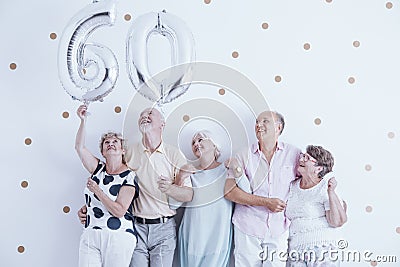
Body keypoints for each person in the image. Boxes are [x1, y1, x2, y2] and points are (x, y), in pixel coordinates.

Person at [78, 107, 192, 267]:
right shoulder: (129, 152)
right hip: (136, 226)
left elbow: (188, 195)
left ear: (162, 124)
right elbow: (112, 179)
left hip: (164, 229)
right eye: (142, 115)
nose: (145, 116)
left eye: (150, 113)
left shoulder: (174, 155)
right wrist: (90, 206)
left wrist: (170, 188)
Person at [224, 110, 301, 267]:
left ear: (278, 128)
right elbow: (229, 191)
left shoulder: (294, 154)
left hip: (279, 228)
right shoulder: (243, 155)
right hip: (247, 227)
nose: (259, 125)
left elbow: (308, 182)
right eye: (257, 122)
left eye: (265, 121)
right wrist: (266, 202)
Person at [75, 105, 139, 267]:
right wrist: (83, 121)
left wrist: (98, 191)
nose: (110, 144)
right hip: (91, 234)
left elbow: (119, 210)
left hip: (118, 236)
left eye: (115, 142)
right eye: (106, 143)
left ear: (122, 150)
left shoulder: (129, 176)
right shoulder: (98, 169)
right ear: (102, 152)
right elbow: (79, 147)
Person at [175, 130, 233, 267]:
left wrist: (237, 170)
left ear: (214, 144)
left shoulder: (227, 170)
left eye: (200, 139)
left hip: (218, 240)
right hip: (191, 239)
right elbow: (173, 205)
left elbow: (246, 193)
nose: (196, 144)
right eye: (193, 142)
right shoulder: (191, 173)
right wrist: (180, 178)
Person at [285, 145, 347, 267]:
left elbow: (337, 222)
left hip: (322, 250)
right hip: (296, 251)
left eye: (306, 158)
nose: (301, 159)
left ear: (318, 168)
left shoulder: (325, 188)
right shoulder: (292, 186)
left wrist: (331, 192)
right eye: (303, 156)